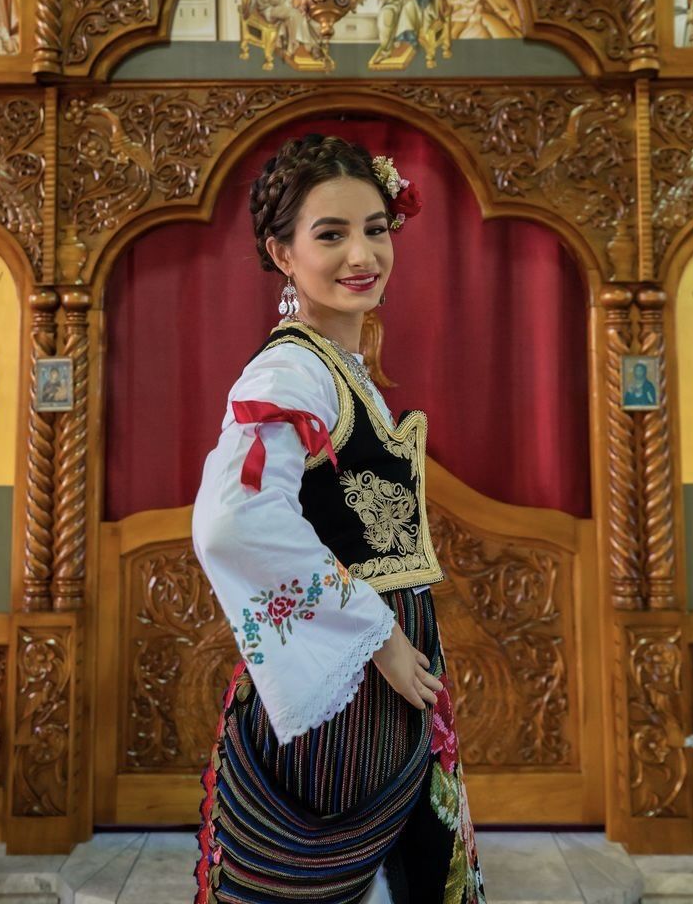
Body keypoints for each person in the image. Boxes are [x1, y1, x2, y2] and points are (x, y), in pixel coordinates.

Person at [192, 134, 486, 904]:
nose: (363, 253)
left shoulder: (334, 362)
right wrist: (377, 633)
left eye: (376, 228)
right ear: (282, 254)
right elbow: (232, 518)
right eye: (331, 234)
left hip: (375, 671)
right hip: (348, 684)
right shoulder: (291, 370)